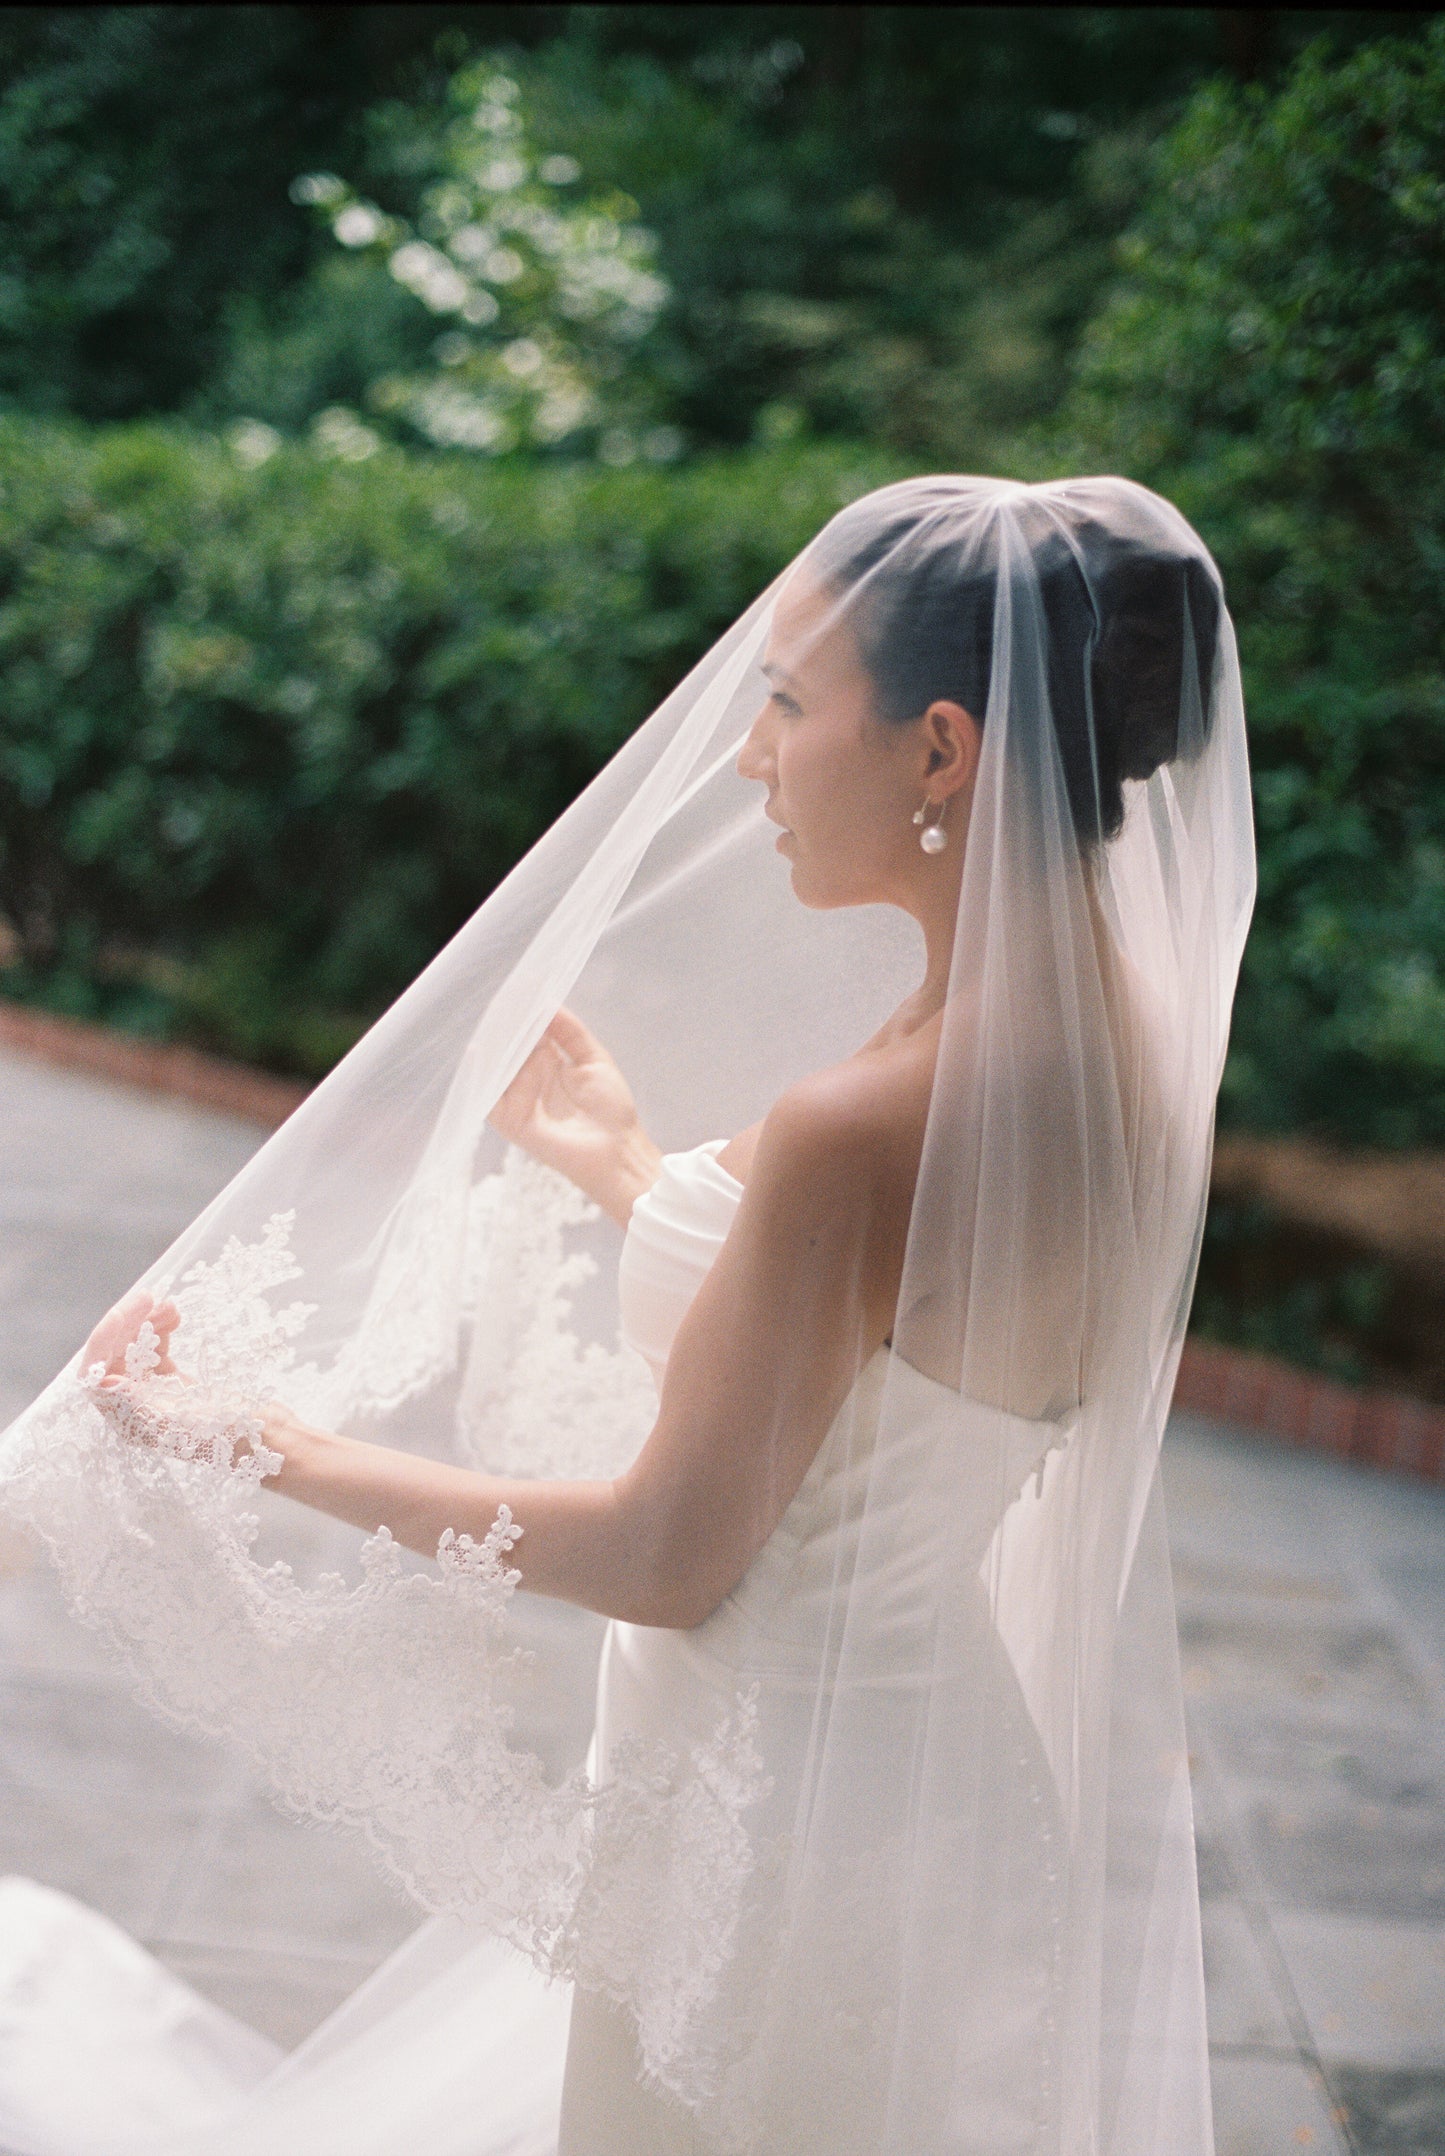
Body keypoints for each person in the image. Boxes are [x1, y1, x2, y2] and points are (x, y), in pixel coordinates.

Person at [0, 474, 1255, 2155]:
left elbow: (671, 1552)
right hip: (925, 1791)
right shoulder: (1110, 1056)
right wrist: (633, 1174)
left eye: (791, 706)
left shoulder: (866, 1123)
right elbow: (901, 1352)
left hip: (776, 1837)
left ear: (941, 749)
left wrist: (271, 1449)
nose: (751, 760)